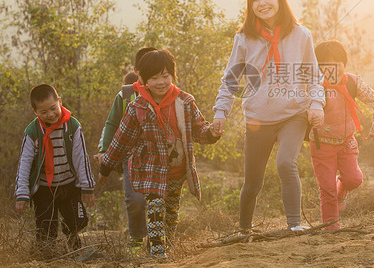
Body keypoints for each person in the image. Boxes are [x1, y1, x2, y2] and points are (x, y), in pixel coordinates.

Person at [212, 0, 325, 234]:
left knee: (286, 162)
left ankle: (294, 224)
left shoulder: (301, 35)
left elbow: (314, 77)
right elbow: (230, 80)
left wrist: (316, 103)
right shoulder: (243, 39)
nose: (261, 3)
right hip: (257, 120)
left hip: (293, 115)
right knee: (252, 183)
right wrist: (221, 112)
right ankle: (244, 230)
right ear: (250, 6)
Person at [98, 49, 222, 258]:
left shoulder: (185, 101)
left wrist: (211, 133)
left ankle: (160, 248)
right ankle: (157, 254)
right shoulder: (137, 107)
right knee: (156, 209)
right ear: (144, 80)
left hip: (177, 170)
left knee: (171, 215)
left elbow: (199, 130)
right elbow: (121, 140)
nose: (161, 82)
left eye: (165, 76)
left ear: (172, 75)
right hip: (150, 171)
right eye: (154, 78)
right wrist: (105, 167)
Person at [310, 40, 374, 230]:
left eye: (337, 63)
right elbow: (298, 106)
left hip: (346, 142)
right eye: (325, 64)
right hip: (321, 145)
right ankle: (331, 225)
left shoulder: (352, 82)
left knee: (354, 179)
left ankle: (341, 191)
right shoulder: (314, 85)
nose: (331, 68)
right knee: (326, 188)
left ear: (344, 63)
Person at [14, 84, 96, 254]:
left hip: (69, 185)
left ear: (59, 101)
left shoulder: (72, 126)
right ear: (35, 112)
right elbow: (24, 163)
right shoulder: (32, 132)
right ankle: (46, 254)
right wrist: (22, 194)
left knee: (77, 221)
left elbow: (81, 158)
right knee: (46, 227)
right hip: (44, 188)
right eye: (43, 112)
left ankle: (74, 247)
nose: (50, 114)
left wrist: (87, 186)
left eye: (53, 108)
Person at [94, 46, 156, 252]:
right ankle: (137, 238)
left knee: (159, 200)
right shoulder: (125, 95)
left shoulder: (165, 92)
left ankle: (158, 241)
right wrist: (104, 151)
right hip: (131, 156)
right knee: (136, 199)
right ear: (137, 71)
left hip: (159, 156)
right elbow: (111, 125)